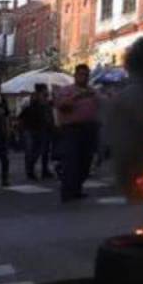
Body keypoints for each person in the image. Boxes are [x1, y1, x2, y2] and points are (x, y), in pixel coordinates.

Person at [54, 64, 100, 202]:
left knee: (85, 162)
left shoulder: (92, 91)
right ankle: (67, 191)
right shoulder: (67, 90)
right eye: (81, 74)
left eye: (86, 75)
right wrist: (77, 96)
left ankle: (77, 188)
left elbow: (102, 104)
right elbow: (61, 105)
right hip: (71, 130)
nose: (84, 77)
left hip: (89, 129)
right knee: (71, 162)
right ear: (75, 76)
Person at [19, 83, 55, 180]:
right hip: (31, 129)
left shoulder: (46, 101)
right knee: (33, 151)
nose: (46, 91)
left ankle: (44, 170)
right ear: (40, 91)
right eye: (45, 90)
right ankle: (30, 170)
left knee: (44, 150)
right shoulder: (31, 100)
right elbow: (22, 114)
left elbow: (50, 112)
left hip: (44, 128)